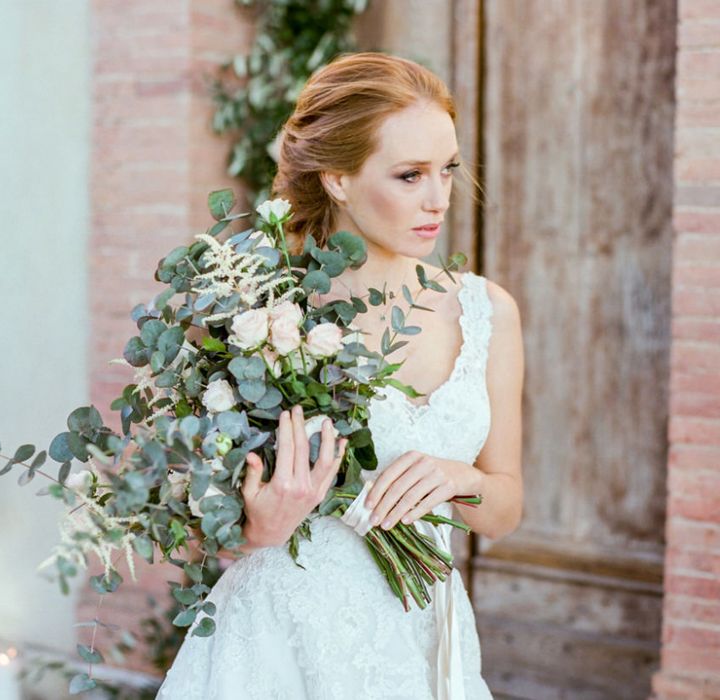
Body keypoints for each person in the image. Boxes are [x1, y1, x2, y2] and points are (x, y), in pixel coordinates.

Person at [157, 51, 524, 700]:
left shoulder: (488, 312)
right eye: (410, 175)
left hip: (423, 632)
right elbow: (193, 518)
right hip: (283, 637)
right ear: (338, 179)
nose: (439, 199)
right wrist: (257, 527)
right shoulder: (261, 314)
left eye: (448, 170)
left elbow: (503, 509)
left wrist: (459, 480)